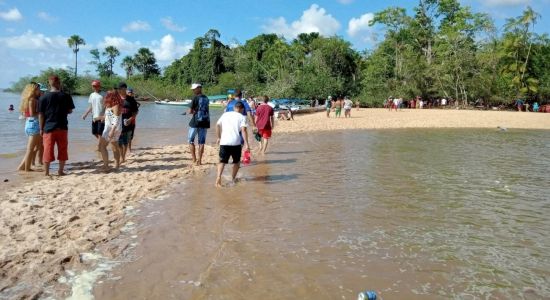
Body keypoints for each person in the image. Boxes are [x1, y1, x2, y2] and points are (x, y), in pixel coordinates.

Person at [38, 75, 75, 176]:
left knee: (47, 150)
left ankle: (46, 172)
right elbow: (70, 110)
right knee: (62, 149)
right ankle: (60, 171)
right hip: (62, 126)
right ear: (59, 83)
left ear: (49, 83)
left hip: (48, 127)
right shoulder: (66, 96)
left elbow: (41, 114)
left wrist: (41, 128)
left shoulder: (43, 97)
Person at [215, 101, 250, 187]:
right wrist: (246, 143)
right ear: (242, 109)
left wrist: (219, 137)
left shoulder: (225, 114)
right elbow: (243, 130)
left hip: (224, 142)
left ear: (234, 108)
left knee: (222, 161)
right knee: (236, 162)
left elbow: (217, 125)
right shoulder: (242, 117)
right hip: (236, 142)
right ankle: (232, 179)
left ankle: (218, 177)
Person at [17, 83, 42, 171]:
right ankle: (27, 169)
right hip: (34, 123)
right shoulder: (32, 100)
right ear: (33, 90)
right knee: (31, 148)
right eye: (38, 89)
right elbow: (32, 114)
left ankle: (22, 166)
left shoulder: (30, 99)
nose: (40, 91)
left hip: (30, 123)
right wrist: (42, 113)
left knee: (34, 147)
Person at [98, 91, 122, 171]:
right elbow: (107, 117)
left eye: (107, 96)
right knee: (115, 147)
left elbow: (116, 119)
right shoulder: (110, 106)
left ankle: (106, 166)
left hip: (111, 129)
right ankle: (117, 166)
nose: (105, 97)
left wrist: (112, 130)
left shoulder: (116, 105)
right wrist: (99, 118)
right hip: (112, 128)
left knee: (102, 146)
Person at [188, 83, 210, 165]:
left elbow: (190, 111)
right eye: (193, 89)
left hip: (195, 122)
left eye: (195, 89)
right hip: (205, 122)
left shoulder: (194, 97)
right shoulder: (206, 98)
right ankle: (200, 161)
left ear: (199, 88)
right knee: (201, 142)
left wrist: (193, 112)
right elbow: (207, 110)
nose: (193, 90)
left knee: (190, 141)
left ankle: (194, 159)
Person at [117, 82, 139, 163]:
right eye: (119, 89)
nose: (119, 90)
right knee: (119, 142)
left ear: (125, 89)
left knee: (125, 142)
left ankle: (123, 157)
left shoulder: (131, 100)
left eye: (121, 89)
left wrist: (130, 119)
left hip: (128, 124)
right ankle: (121, 156)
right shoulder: (116, 98)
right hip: (118, 124)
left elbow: (136, 112)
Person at [82, 80, 105, 145]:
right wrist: (85, 114)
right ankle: (102, 142)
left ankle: (100, 147)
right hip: (94, 116)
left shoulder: (104, 94)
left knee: (100, 133)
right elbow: (91, 106)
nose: (94, 87)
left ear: (99, 86)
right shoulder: (92, 95)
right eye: (93, 86)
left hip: (101, 117)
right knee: (94, 132)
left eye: (95, 86)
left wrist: (105, 116)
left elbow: (107, 106)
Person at [126, 87, 140, 152]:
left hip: (132, 121)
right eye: (129, 92)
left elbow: (137, 110)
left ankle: (129, 148)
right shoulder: (124, 100)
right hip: (124, 120)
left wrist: (136, 109)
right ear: (126, 92)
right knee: (123, 135)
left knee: (130, 136)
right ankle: (125, 148)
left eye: (131, 93)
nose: (130, 94)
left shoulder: (133, 100)